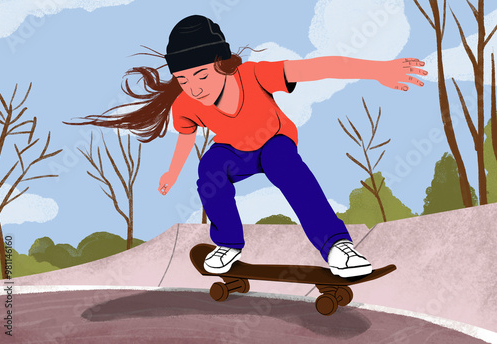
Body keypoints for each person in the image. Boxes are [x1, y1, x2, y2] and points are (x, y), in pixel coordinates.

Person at [68, 15, 426, 278]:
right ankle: (229, 243)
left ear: (223, 64)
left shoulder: (256, 75)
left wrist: (378, 69)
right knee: (209, 169)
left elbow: (317, 67)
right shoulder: (187, 103)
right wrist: (171, 172)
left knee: (287, 168)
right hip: (234, 154)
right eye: (182, 80)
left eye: (202, 76)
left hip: (274, 143)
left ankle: (336, 245)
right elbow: (186, 136)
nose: (194, 88)